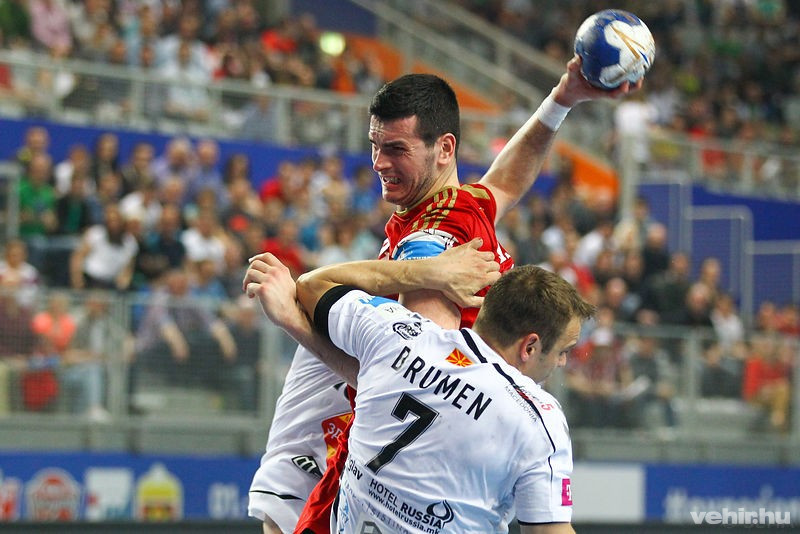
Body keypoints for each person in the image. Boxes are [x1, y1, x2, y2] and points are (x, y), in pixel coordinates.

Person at [248, 58, 641, 533]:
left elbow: (505, 182)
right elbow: (413, 379)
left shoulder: (458, 209)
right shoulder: (432, 244)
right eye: (374, 146)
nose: (378, 163)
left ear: (445, 149)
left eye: (396, 149)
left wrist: (563, 99)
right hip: (337, 440)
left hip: (353, 428)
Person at [243, 245, 594, 533]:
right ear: (530, 346)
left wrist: (429, 271)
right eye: (563, 350)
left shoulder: (397, 335)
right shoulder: (538, 418)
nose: (562, 362)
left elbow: (313, 284)